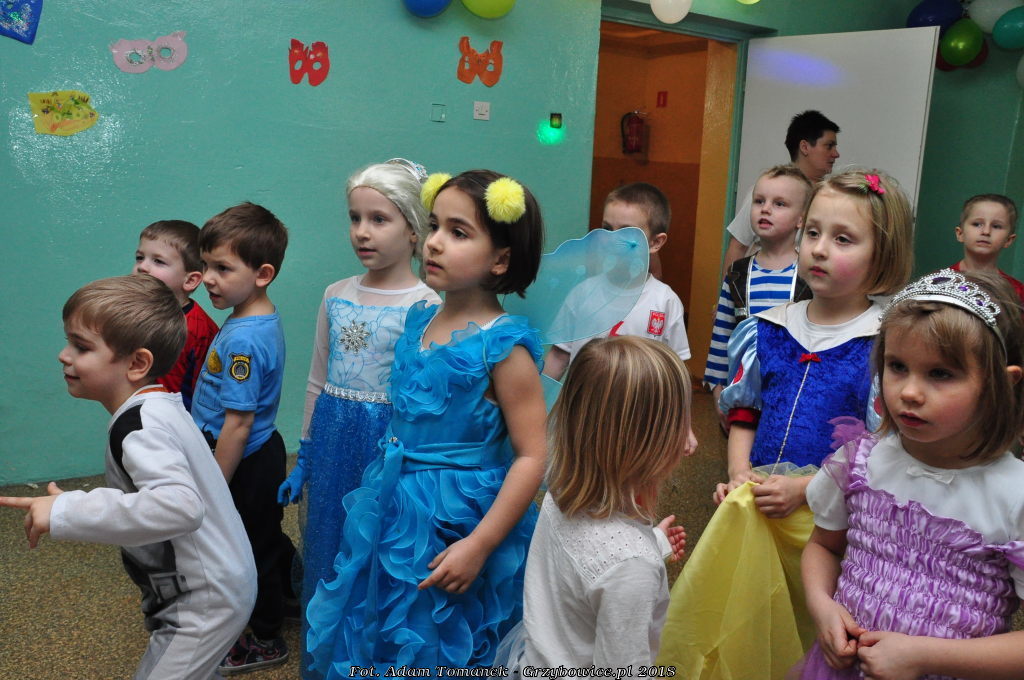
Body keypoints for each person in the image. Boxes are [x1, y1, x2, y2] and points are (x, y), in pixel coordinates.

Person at [657, 170, 913, 679]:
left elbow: (882, 445)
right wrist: (738, 472)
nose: (819, 248)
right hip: (763, 506)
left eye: (842, 239)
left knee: (812, 620)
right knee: (751, 611)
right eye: (812, 232)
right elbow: (746, 411)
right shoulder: (770, 327)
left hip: (835, 521)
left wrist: (806, 488)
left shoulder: (884, 342)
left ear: (881, 255)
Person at [304, 169, 547, 673]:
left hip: (459, 520)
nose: (434, 242)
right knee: (385, 624)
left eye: (458, 233)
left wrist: (479, 544)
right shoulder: (419, 320)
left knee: (440, 635)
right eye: (434, 226)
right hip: (395, 505)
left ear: (500, 259)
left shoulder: (503, 347)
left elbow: (532, 454)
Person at [0, 274, 256, 680]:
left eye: (81, 346)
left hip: (206, 600)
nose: (64, 355)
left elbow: (180, 507)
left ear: (137, 364)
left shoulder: (141, 426)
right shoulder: (158, 408)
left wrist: (69, 510)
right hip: (218, 583)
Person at [796, 269, 1024, 680]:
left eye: (941, 373)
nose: (909, 392)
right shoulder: (860, 464)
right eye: (897, 366)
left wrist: (924, 657)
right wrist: (822, 605)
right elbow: (823, 546)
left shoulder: (1015, 496)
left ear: (1001, 385)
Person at [276, 159, 440, 679]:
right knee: (329, 546)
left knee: (375, 555)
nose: (362, 232)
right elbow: (316, 378)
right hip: (331, 440)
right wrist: (304, 455)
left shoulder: (428, 304)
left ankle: (368, 662)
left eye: (379, 219)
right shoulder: (336, 294)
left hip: (385, 448)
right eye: (355, 218)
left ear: (414, 229)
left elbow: (424, 398)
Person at [497, 336, 689, 667]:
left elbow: (587, 566)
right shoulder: (632, 568)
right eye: (681, 422)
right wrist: (638, 556)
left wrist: (652, 543)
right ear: (652, 444)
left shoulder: (563, 494)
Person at [190, 202, 296, 674]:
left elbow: (238, 423)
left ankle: (267, 638)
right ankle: (289, 595)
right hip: (252, 452)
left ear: (262, 274)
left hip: (243, 459)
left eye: (222, 268)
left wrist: (213, 483)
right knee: (262, 536)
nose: (208, 278)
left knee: (251, 550)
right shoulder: (252, 317)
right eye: (205, 265)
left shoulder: (244, 339)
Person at [542, 182, 691, 381]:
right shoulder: (583, 293)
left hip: (637, 401)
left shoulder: (665, 301)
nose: (611, 239)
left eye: (627, 232)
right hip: (585, 400)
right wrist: (537, 397)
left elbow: (676, 371)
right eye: (607, 228)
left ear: (655, 242)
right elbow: (559, 357)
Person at [704, 164, 814, 412]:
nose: (765, 208)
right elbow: (721, 336)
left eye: (779, 203)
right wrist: (718, 390)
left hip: (794, 398)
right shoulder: (737, 275)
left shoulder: (809, 276)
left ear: (801, 219)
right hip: (743, 398)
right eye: (759, 201)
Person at [722, 110, 841, 273]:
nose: (836, 154)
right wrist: (729, 288)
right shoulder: (766, 191)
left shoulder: (832, 197)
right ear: (805, 147)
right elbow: (738, 246)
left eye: (779, 204)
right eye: (829, 146)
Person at [132, 219, 218, 411]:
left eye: (158, 261)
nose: (142, 267)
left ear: (190, 280)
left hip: (174, 419)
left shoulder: (190, 330)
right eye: (139, 257)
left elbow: (172, 397)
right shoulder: (140, 314)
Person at [949, 193, 1024, 306]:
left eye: (996, 226)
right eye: (977, 224)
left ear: (1008, 240)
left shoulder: (1017, 292)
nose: (986, 231)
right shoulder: (939, 281)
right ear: (960, 234)